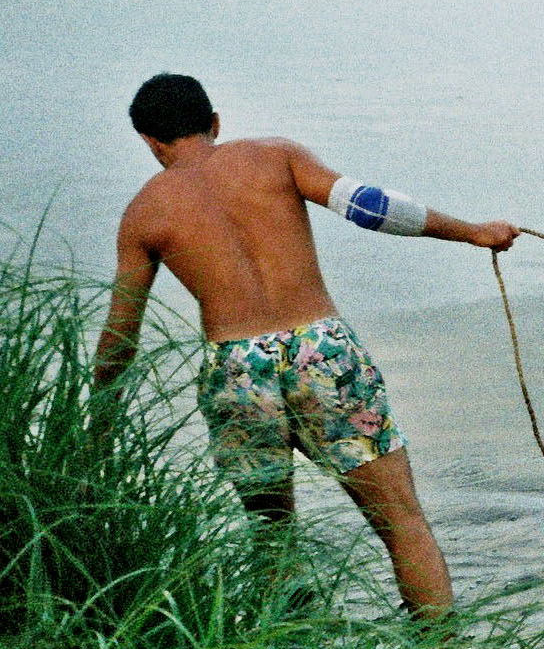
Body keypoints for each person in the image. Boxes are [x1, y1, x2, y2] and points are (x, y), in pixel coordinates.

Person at [90, 73, 517, 617]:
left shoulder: (142, 214)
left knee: (273, 539)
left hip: (236, 368)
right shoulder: (274, 156)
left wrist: (98, 421)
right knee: (401, 522)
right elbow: (372, 207)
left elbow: (118, 338)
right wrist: (474, 232)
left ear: (149, 142)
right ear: (215, 122)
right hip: (322, 350)